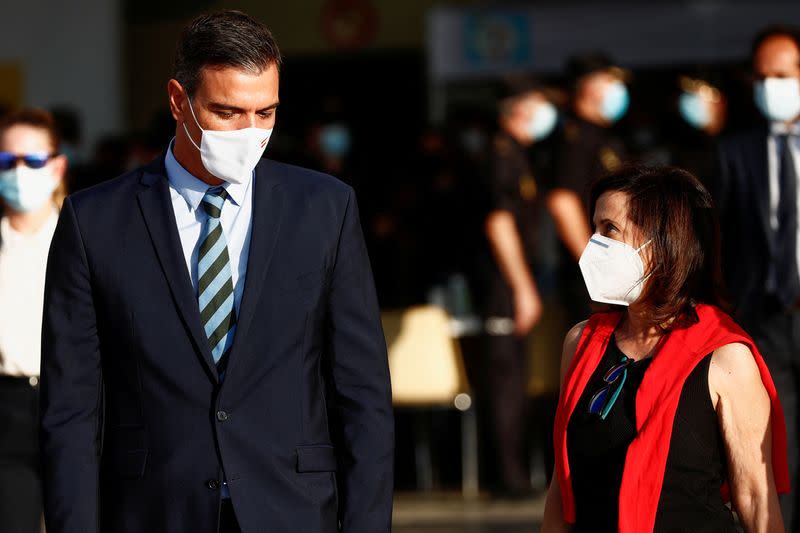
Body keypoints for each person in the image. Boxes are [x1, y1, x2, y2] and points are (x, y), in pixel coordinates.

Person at [39, 11, 393, 533]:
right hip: (152, 511)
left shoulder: (324, 209)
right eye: (227, 112)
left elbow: (362, 393)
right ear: (179, 101)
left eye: (266, 113)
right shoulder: (94, 222)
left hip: (292, 508)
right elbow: (70, 409)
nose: (250, 133)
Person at [542, 164, 789, 532]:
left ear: (664, 243)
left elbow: (754, 498)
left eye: (610, 230)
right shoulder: (581, 342)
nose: (594, 244)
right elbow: (562, 488)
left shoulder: (725, 357)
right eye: (595, 228)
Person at [713, 25, 800, 531]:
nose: (772, 86)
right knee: (776, 442)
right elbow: (721, 233)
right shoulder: (736, 150)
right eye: (763, 77)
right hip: (764, 315)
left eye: (783, 75)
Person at [483, 84, 557, 496]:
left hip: (516, 280)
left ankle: (514, 473)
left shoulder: (520, 155)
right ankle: (507, 477)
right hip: (502, 285)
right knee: (506, 380)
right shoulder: (501, 154)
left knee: (517, 377)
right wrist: (523, 287)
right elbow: (499, 223)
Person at [0, 109, 66, 533]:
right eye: (9, 161)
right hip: (7, 412)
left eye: (34, 160)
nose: (20, 171)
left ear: (57, 165)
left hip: (72, 402)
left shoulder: (82, 239)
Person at [547, 54, 630, 329]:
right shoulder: (576, 137)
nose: (616, 88)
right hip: (592, 278)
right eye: (608, 81)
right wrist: (593, 265)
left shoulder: (603, 135)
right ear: (587, 87)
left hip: (615, 270)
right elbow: (562, 201)